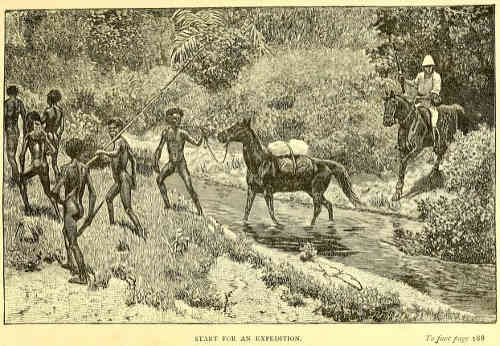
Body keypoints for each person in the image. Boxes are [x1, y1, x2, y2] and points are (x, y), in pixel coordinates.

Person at [50, 138, 96, 285]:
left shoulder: (65, 168)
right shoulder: (85, 168)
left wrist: (61, 201)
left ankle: (83, 276)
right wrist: (89, 215)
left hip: (69, 208)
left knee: (73, 243)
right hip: (80, 208)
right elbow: (93, 194)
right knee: (66, 232)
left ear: (68, 152)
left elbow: (55, 191)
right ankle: (70, 262)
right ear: (80, 151)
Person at [95, 118, 145, 238]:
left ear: (120, 129)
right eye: (110, 129)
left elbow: (116, 153)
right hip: (119, 180)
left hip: (123, 179)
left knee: (127, 209)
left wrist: (103, 152)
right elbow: (133, 159)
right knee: (108, 198)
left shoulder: (119, 142)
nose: (112, 131)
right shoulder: (120, 141)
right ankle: (112, 224)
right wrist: (134, 176)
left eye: (114, 129)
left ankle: (140, 231)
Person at [153, 107, 205, 216]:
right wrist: (155, 161)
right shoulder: (166, 133)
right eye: (174, 118)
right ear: (170, 120)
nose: (176, 120)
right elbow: (159, 148)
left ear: (180, 120)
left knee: (189, 186)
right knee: (159, 180)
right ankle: (167, 205)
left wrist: (202, 136)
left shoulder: (183, 133)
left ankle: (200, 211)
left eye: (178, 119)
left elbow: (196, 143)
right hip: (171, 163)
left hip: (181, 164)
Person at [19, 111, 61, 218]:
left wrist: (22, 168)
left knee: (21, 180)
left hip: (35, 165)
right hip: (44, 166)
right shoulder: (43, 135)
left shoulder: (29, 136)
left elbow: (22, 155)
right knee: (47, 192)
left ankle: (28, 208)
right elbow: (53, 150)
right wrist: (46, 152)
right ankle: (59, 216)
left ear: (29, 123)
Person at [402, 55, 442, 150]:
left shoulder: (436, 77)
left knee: (433, 121)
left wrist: (421, 98)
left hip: (430, 104)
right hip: (419, 103)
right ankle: (406, 141)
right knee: (409, 117)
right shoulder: (420, 76)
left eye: (430, 66)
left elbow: (434, 93)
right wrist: (404, 80)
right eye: (427, 67)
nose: (428, 69)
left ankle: (435, 141)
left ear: (433, 67)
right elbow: (414, 83)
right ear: (424, 67)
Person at [4, 85, 27, 185]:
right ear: (16, 92)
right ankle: (15, 178)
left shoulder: (6, 103)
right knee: (12, 156)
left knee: (10, 156)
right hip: (16, 131)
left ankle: (17, 178)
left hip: (9, 131)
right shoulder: (19, 103)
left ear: (9, 92)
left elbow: (3, 118)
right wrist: (25, 131)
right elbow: (25, 118)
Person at [41, 89, 64, 179]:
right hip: (55, 136)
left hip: (47, 136)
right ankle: (58, 180)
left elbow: (41, 121)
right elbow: (62, 128)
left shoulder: (47, 110)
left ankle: (44, 178)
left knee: (43, 158)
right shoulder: (61, 111)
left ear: (50, 99)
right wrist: (58, 136)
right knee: (54, 163)